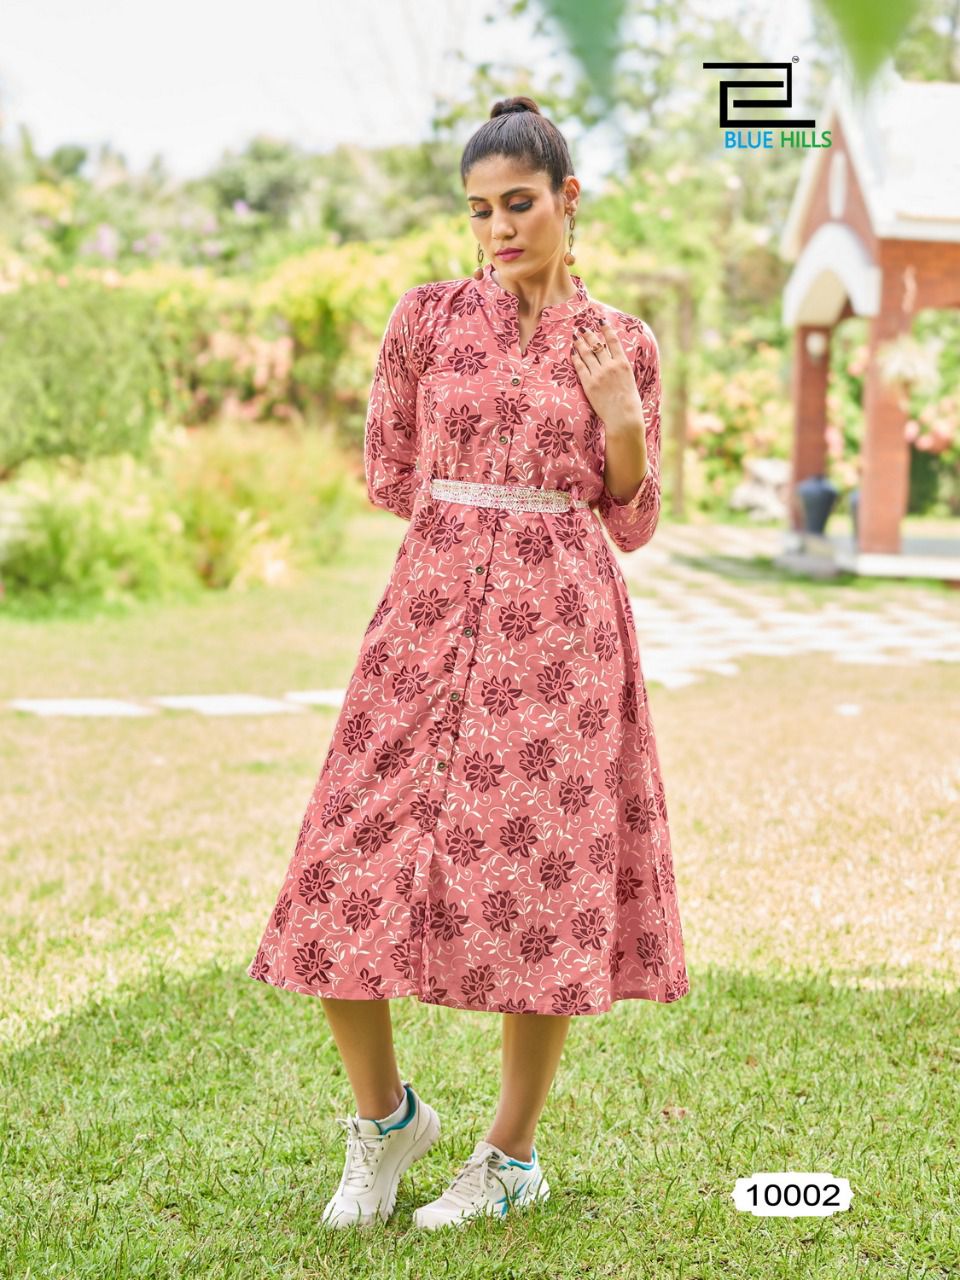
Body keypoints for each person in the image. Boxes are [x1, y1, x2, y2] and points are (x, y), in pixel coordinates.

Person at [246, 95, 690, 1232]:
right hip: (428, 616)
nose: (498, 228)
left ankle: (510, 1156)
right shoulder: (428, 317)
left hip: (562, 636)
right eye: (480, 210)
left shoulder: (625, 343)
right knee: (343, 862)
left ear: (569, 199)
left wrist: (620, 421)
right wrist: (473, 524)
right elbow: (390, 470)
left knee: (543, 882)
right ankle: (387, 1120)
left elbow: (634, 520)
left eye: (519, 204)